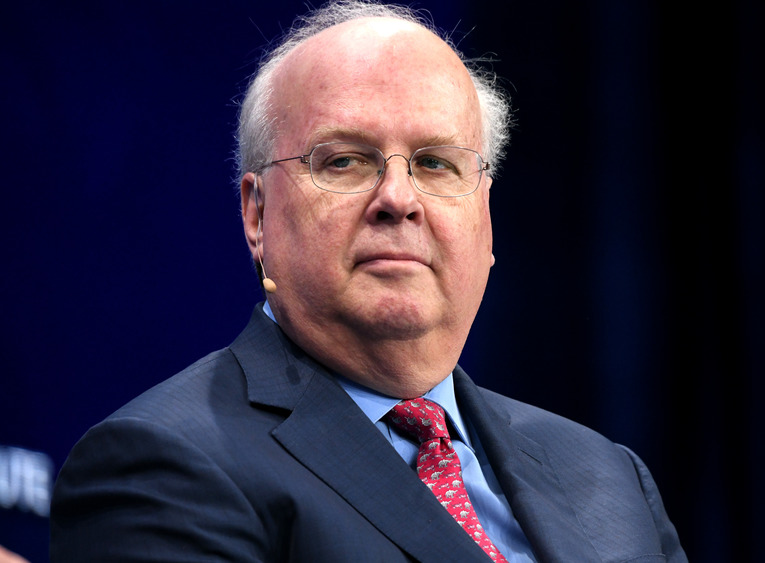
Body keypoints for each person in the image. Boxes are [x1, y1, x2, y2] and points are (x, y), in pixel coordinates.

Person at [49, 1, 687, 561]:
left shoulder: (609, 475)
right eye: (347, 160)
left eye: (436, 163)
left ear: (486, 220)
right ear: (258, 216)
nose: (398, 199)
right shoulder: (162, 467)